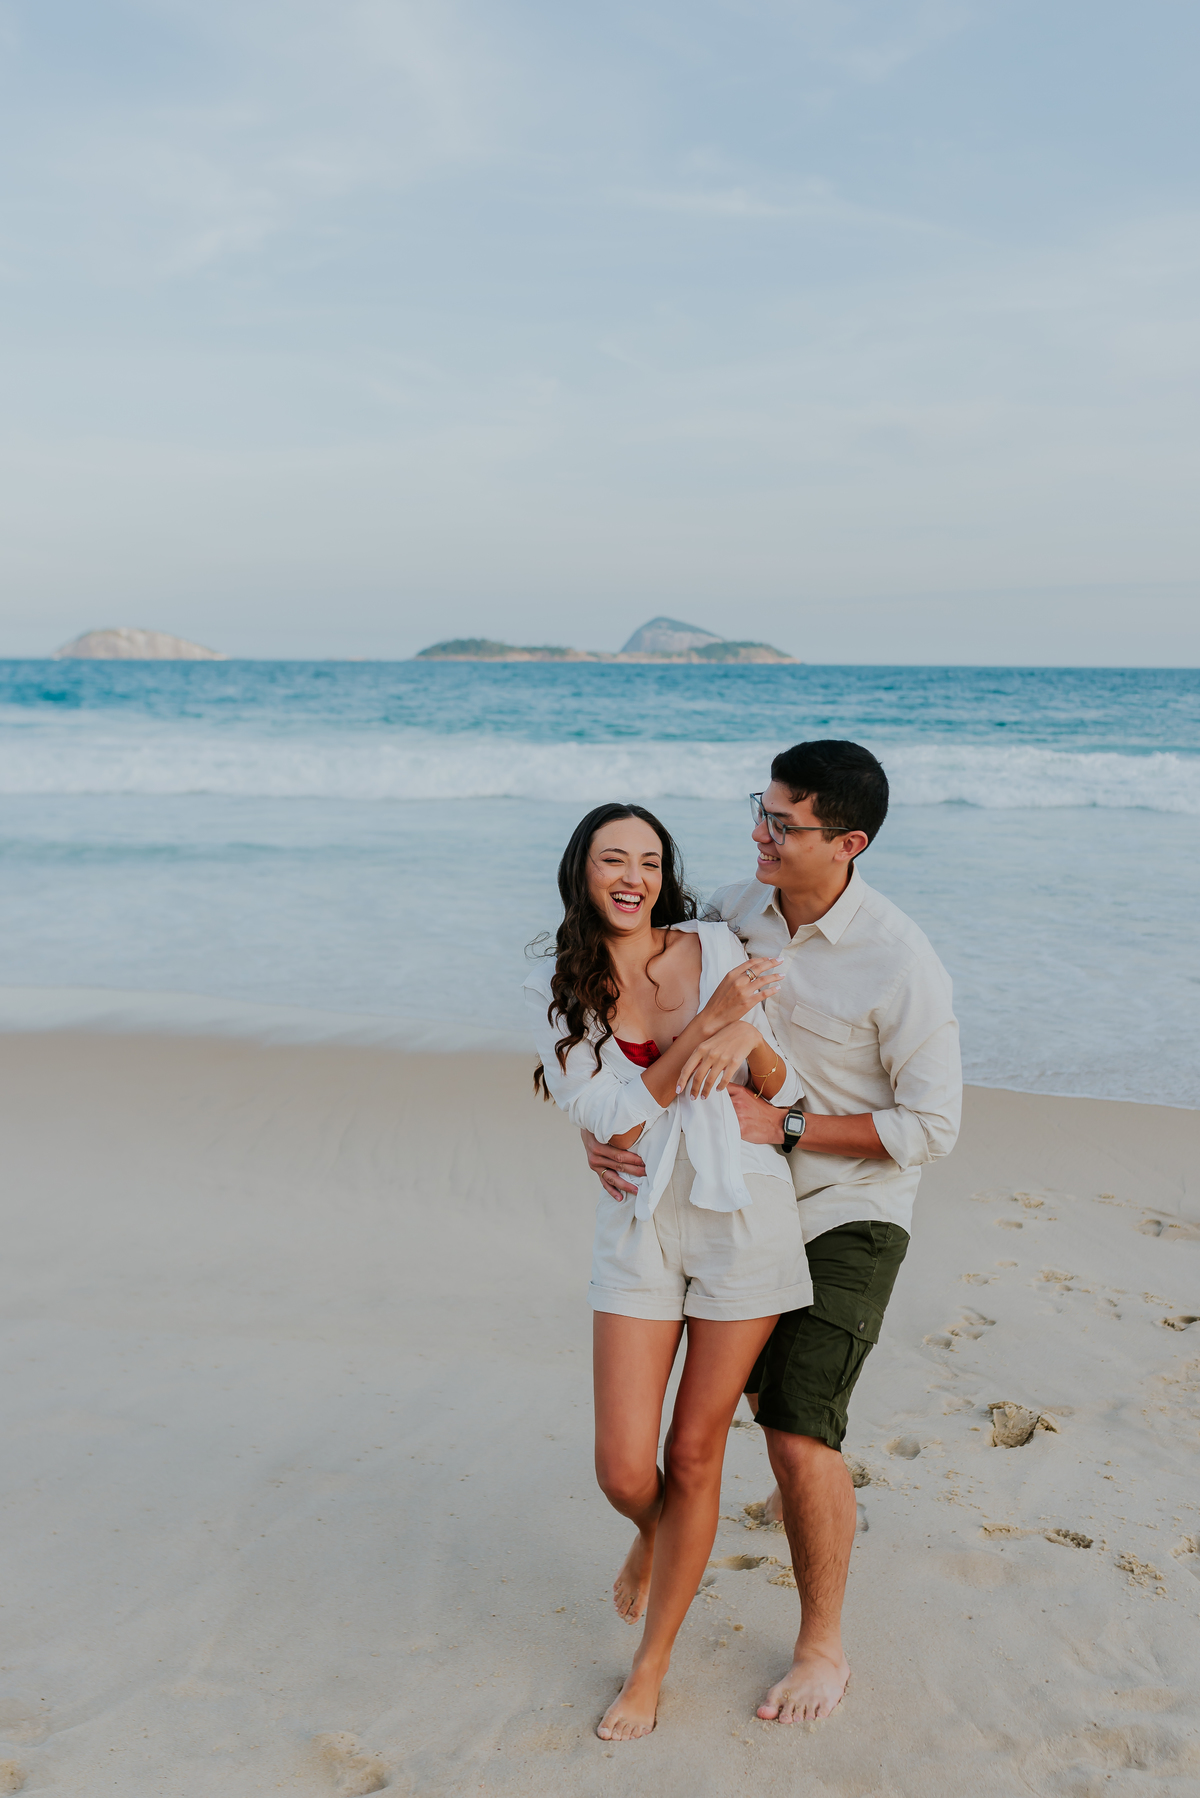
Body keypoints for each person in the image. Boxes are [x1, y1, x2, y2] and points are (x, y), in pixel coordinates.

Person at [583, 741, 962, 1726]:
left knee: (796, 1428)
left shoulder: (900, 958)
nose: (758, 832)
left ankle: (822, 1647)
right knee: (686, 1436)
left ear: (847, 842)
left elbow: (932, 1127)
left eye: (781, 823)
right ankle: (665, 1526)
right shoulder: (730, 916)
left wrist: (790, 1123)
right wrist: (603, 1136)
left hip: (848, 1203)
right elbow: (643, 1031)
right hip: (731, 1198)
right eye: (760, 809)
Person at [524, 802, 812, 1743]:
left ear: (664, 875)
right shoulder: (558, 990)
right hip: (639, 1218)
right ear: (584, 872)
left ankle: (649, 1667)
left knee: (693, 1455)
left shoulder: (714, 945)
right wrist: (705, 1032)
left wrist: (744, 1034)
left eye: (649, 859)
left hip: (741, 1214)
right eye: (614, 857)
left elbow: (777, 1083)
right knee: (621, 1468)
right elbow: (611, 1118)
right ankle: (654, 1531)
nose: (634, 874)